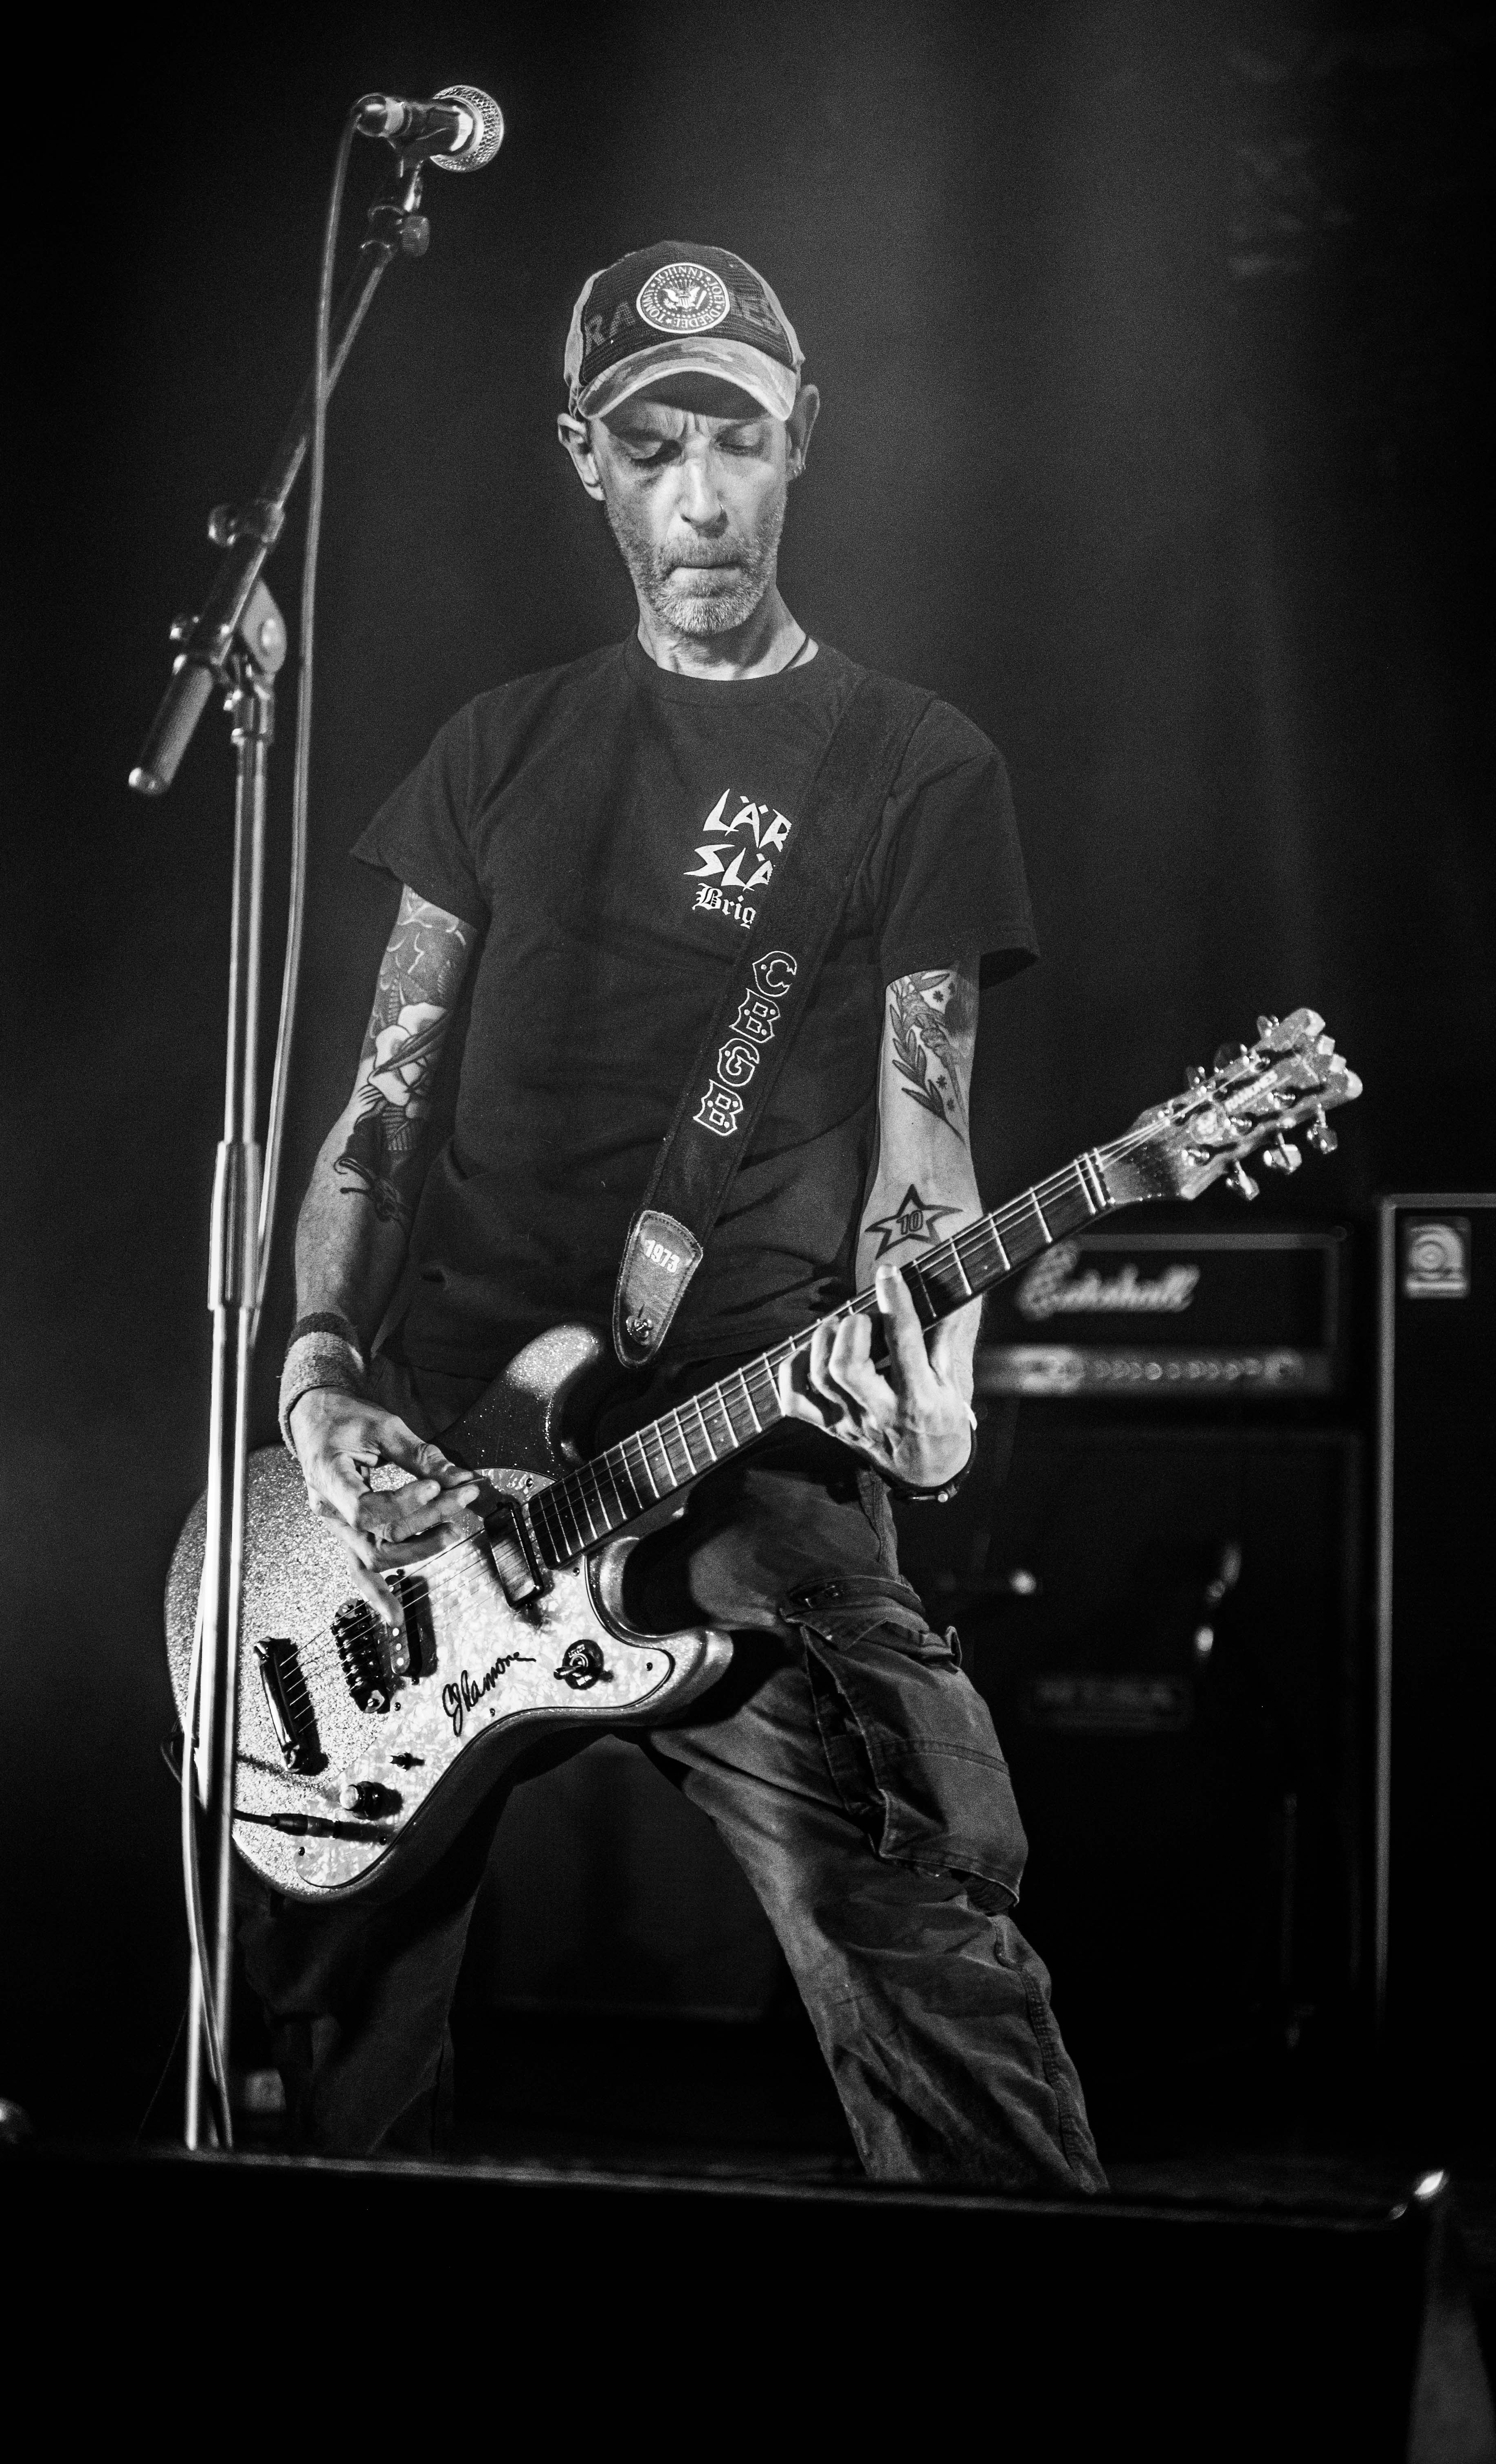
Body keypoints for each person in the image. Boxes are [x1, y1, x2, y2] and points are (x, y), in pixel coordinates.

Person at [250, 242, 1105, 2193]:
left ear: (804, 442)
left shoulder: (911, 763)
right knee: (306, 1994)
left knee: (915, 1885)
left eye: (737, 441)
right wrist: (318, 1383)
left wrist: (938, 1393)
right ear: (587, 457)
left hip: (743, 1438)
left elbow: (927, 1138)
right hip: (437, 1475)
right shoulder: (496, 751)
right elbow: (383, 1108)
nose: (701, 496)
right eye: (653, 449)